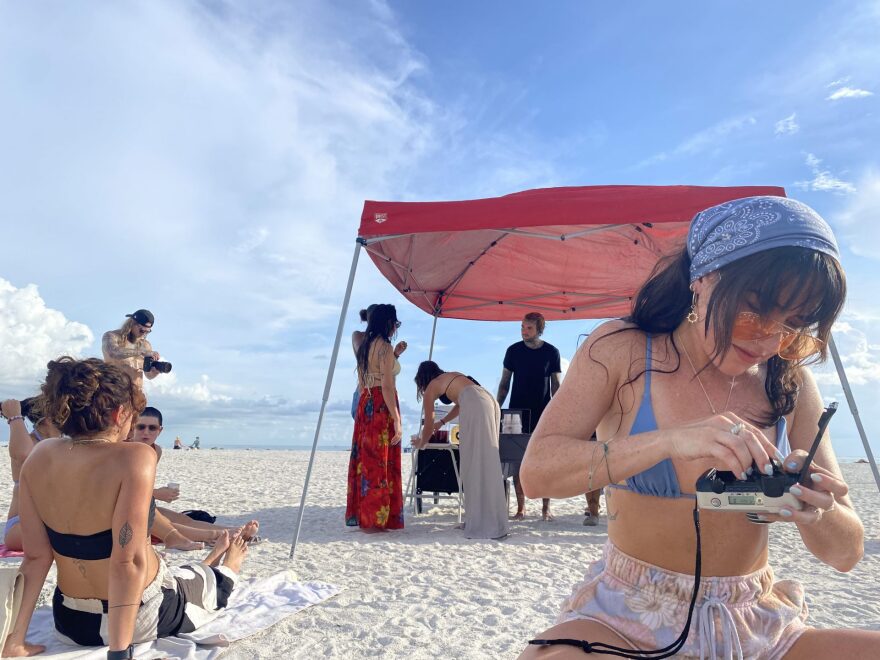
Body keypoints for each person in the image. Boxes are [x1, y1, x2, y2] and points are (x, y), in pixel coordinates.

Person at [518, 196, 878, 659]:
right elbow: (538, 471)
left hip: (754, 619)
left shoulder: (788, 380)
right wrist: (668, 441)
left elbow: (847, 553)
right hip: (627, 617)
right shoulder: (622, 350)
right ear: (704, 278)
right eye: (755, 313)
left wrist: (815, 510)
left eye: (793, 327)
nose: (770, 340)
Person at [1, 357, 250, 659]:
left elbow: (37, 557)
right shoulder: (134, 457)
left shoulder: (40, 455)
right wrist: (119, 653)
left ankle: (209, 557)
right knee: (215, 584)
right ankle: (224, 561)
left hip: (69, 620)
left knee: (183, 573)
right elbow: (127, 562)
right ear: (120, 414)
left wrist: (15, 639)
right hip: (140, 615)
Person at [129, 407, 253, 548]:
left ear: (160, 430)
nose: (146, 432)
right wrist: (157, 493)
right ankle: (220, 535)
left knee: (183, 519)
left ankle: (231, 530)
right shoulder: (126, 450)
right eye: (141, 427)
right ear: (132, 426)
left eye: (152, 428)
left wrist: (158, 494)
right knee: (166, 524)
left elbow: (142, 487)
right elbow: (124, 490)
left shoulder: (155, 451)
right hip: (128, 508)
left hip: (143, 503)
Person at [414, 361, 509, 540]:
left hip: (475, 403)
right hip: (488, 400)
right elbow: (460, 403)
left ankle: (483, 523)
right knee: (487, 460)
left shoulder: (432, 387)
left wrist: (421, 442)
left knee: (474, 462)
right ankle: (487, 519)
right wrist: (441, 423)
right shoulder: (452, 376)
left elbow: (427, 425)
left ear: (422, 379)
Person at [497, 312, 562, 520]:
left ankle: (545, 509)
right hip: (516, 413)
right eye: (522, 328)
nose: (524, 331)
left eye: (529, 328)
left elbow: (556, 385)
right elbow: (504, 383)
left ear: (539, 330)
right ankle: (520, 508)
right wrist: (497, 407)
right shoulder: (513, 351)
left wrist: (559, 411)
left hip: (543, 412)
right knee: (517, 460)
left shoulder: (552, 352)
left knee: (545, 461)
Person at [345, 304, 405, 531]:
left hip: (365, 402)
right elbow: (388, 386)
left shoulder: (363, 345)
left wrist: (365, 403)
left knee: (365, 461)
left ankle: (364, 517)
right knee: (382, 461)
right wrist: (397, 419)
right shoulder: (385, 348)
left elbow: (362, 382)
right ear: (388, 323)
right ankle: (378, 520)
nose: (395, 328)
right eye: (395, 323)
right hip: (381, 403)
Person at [1, 398, 60, 552]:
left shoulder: (62, 444)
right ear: (47, 420)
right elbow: (24, 453)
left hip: (51, 523)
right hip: (21, 525)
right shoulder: (29, 442)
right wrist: (14, 417)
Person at [351, 305, 407, 419]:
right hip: (372, 394)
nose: (395, 328)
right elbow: (362, 356)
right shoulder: (361, 337)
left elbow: (379, 367)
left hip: (379, 394)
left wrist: (395, 355)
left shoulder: (384, 346)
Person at [101, 309, 164, 390]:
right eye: (142, 330)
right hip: (114, 393)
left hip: (136, 395)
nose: (144, 334)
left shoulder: (146, 345)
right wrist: (141, 352)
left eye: (147, 332)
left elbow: (148, 375)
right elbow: (113, 352)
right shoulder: (111, 336)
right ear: (132, 323)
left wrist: (156, 372)